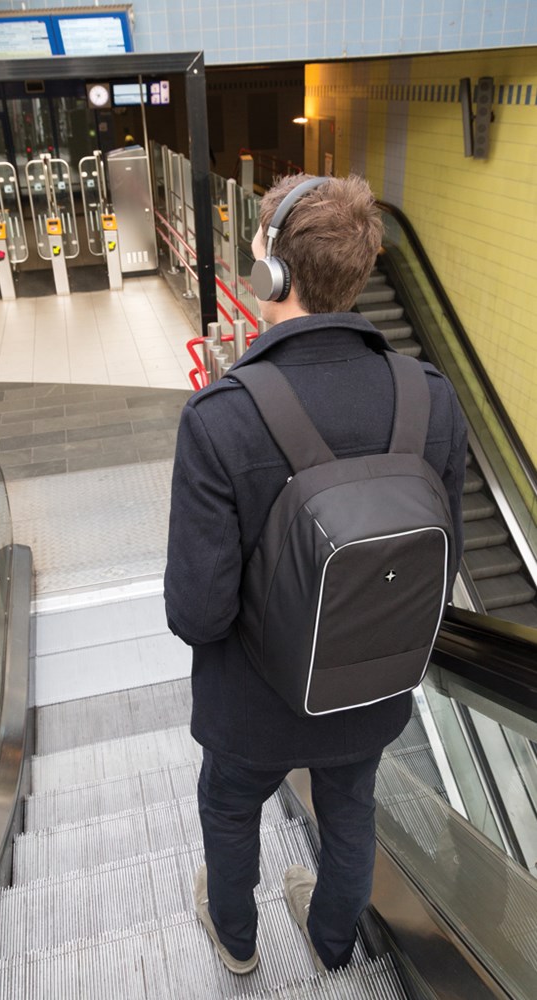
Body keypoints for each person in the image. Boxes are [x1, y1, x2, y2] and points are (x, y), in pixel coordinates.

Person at [163, 173, 467, 976]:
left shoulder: (222, 417)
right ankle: (333, 942)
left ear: (272, 272)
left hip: (251, 706)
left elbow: (197, 613)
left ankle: (237, 942)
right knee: (350, 804)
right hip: (368, 689)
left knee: (231, 807)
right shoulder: (432, 400)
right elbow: (446, 565)